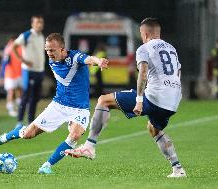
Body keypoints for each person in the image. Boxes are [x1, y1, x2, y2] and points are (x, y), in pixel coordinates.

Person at [65, 17, 186, 178]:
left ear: (145, 33)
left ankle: (89, 146)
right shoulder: (171, 48)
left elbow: (142, 73)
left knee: (103, 100)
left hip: (154, 96)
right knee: (154, 128)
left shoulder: (144, 48)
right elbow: (177, 73)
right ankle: (178, 168)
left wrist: (139, 100)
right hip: (173, 100)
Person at [0, 33, 109, 174]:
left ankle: (47, 165)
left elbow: (88, 59)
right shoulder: (52, 61)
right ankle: (5, 137)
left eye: (52, 50)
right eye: (47, 50)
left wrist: (98, 61)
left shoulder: (74, 57)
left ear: (63, 49)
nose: (49, 53)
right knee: (28, 134)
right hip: (59, 105)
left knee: (75, 136)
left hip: (80, 108)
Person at [13, 15, 45, 126]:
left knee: (36, 97)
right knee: (26, 95)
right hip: (29, 71)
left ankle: (31, 120)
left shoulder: (42, 36)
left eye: (41, 22)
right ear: (32, 24)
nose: (39, 24)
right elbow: (14, 46)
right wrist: (22, 60)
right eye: (37, 22)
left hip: (39, 71)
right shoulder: (26, 35)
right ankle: (19, 121)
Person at [1, 36, 23, 117]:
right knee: (11, 91)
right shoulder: (9, 48)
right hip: (10, 74)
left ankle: (20, 107)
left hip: (19, 73)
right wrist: (2, 74)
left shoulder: (21, 47)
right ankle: (10, 109)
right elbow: (4, 62)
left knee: (19, 90)